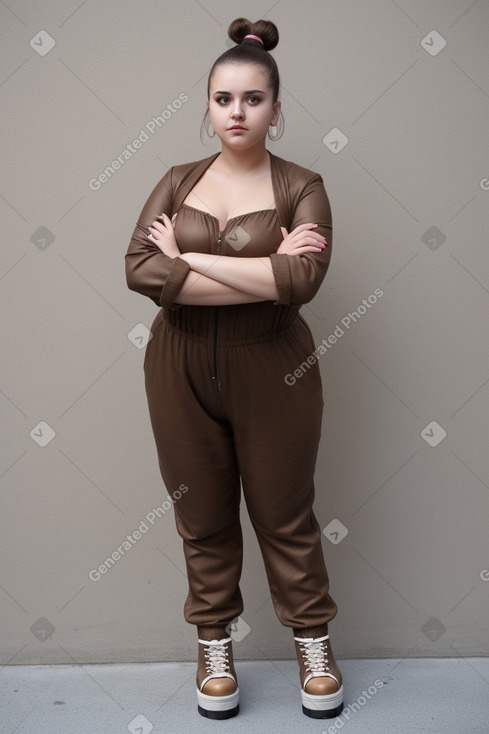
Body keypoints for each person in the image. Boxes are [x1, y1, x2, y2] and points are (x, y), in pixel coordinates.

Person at [125, 17, 343, 721]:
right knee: (201, 514)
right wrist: (262, 268)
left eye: (253, 99)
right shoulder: (175, 179)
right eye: (223, 99)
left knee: (284, 512)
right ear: (208, 106)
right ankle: (212, 643)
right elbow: (137, 268)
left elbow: (302, 282)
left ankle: (312, 642)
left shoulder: (303, 185)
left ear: (276, 110)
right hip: (177, 361)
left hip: (272, 362)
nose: (237, 112)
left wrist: (187, 261)